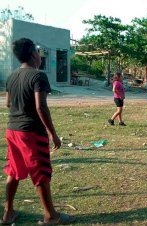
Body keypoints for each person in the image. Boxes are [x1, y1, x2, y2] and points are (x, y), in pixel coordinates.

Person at [2, 38, 74, 225]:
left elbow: (8, 103)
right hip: (31, 132)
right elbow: (40, 107)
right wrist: (53, 133)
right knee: (40, 172)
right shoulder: (38, 76)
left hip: (12, 130)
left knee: (13, 170)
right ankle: (51, 216)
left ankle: (8, 213)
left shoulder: (11, 76)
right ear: (34, 54)